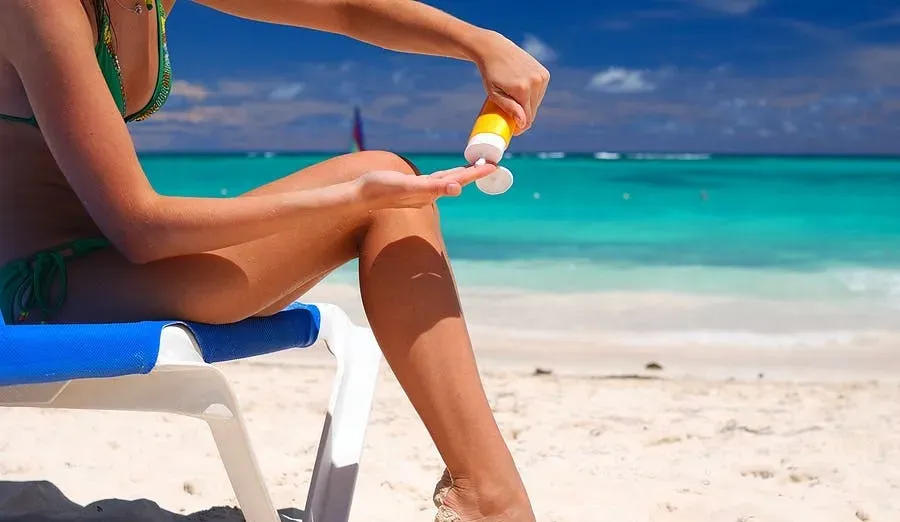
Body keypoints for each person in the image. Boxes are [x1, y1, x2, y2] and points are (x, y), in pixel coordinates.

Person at [0, 1, 550, 521]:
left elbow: (341, 9)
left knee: (397, 194)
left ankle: (491, 501)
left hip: (120, 261)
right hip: (47, 283)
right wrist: (353, 198)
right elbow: (140, 228)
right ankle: (490, 502)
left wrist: (478, 42)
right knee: (387, 187)